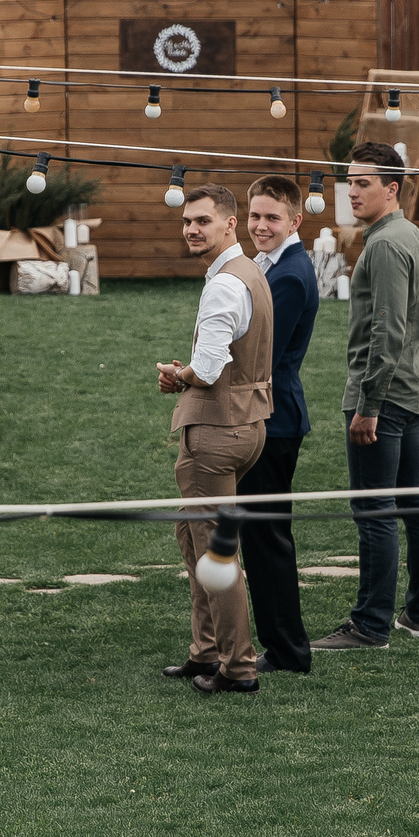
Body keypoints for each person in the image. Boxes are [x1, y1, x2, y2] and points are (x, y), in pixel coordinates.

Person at [313, 143, 419, 650]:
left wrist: (368, 404)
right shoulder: (410, 234)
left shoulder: (387, 243)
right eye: (350, 181)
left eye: (363, 182)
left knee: (376, 510)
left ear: (392, 188)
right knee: (416, 500)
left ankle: (370, 624)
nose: (352, 190)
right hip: (413, 388)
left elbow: (386, 330)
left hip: (385, 395)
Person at [156, 184, 273, 695]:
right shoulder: (249, 272)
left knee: (216, 554)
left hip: (217, 433)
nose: (191, 229)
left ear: (230, 224)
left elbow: (207, 367)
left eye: (202, 221)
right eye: (187, 221)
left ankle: (238, 666)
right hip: (247, 426)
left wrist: (177, 375)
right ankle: (205, 651)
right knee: (193, 537)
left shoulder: (225, 284)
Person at [239, 176, 316, 675]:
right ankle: (279, 644)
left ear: (295, 220)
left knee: (267, 539)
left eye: (272, 218)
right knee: (259, 536)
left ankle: (287, 650)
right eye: (255, 217)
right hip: (267, 410)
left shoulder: (288, 273)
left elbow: (260, 352)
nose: (261, 226)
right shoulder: (269, 265)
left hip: (274, 416)